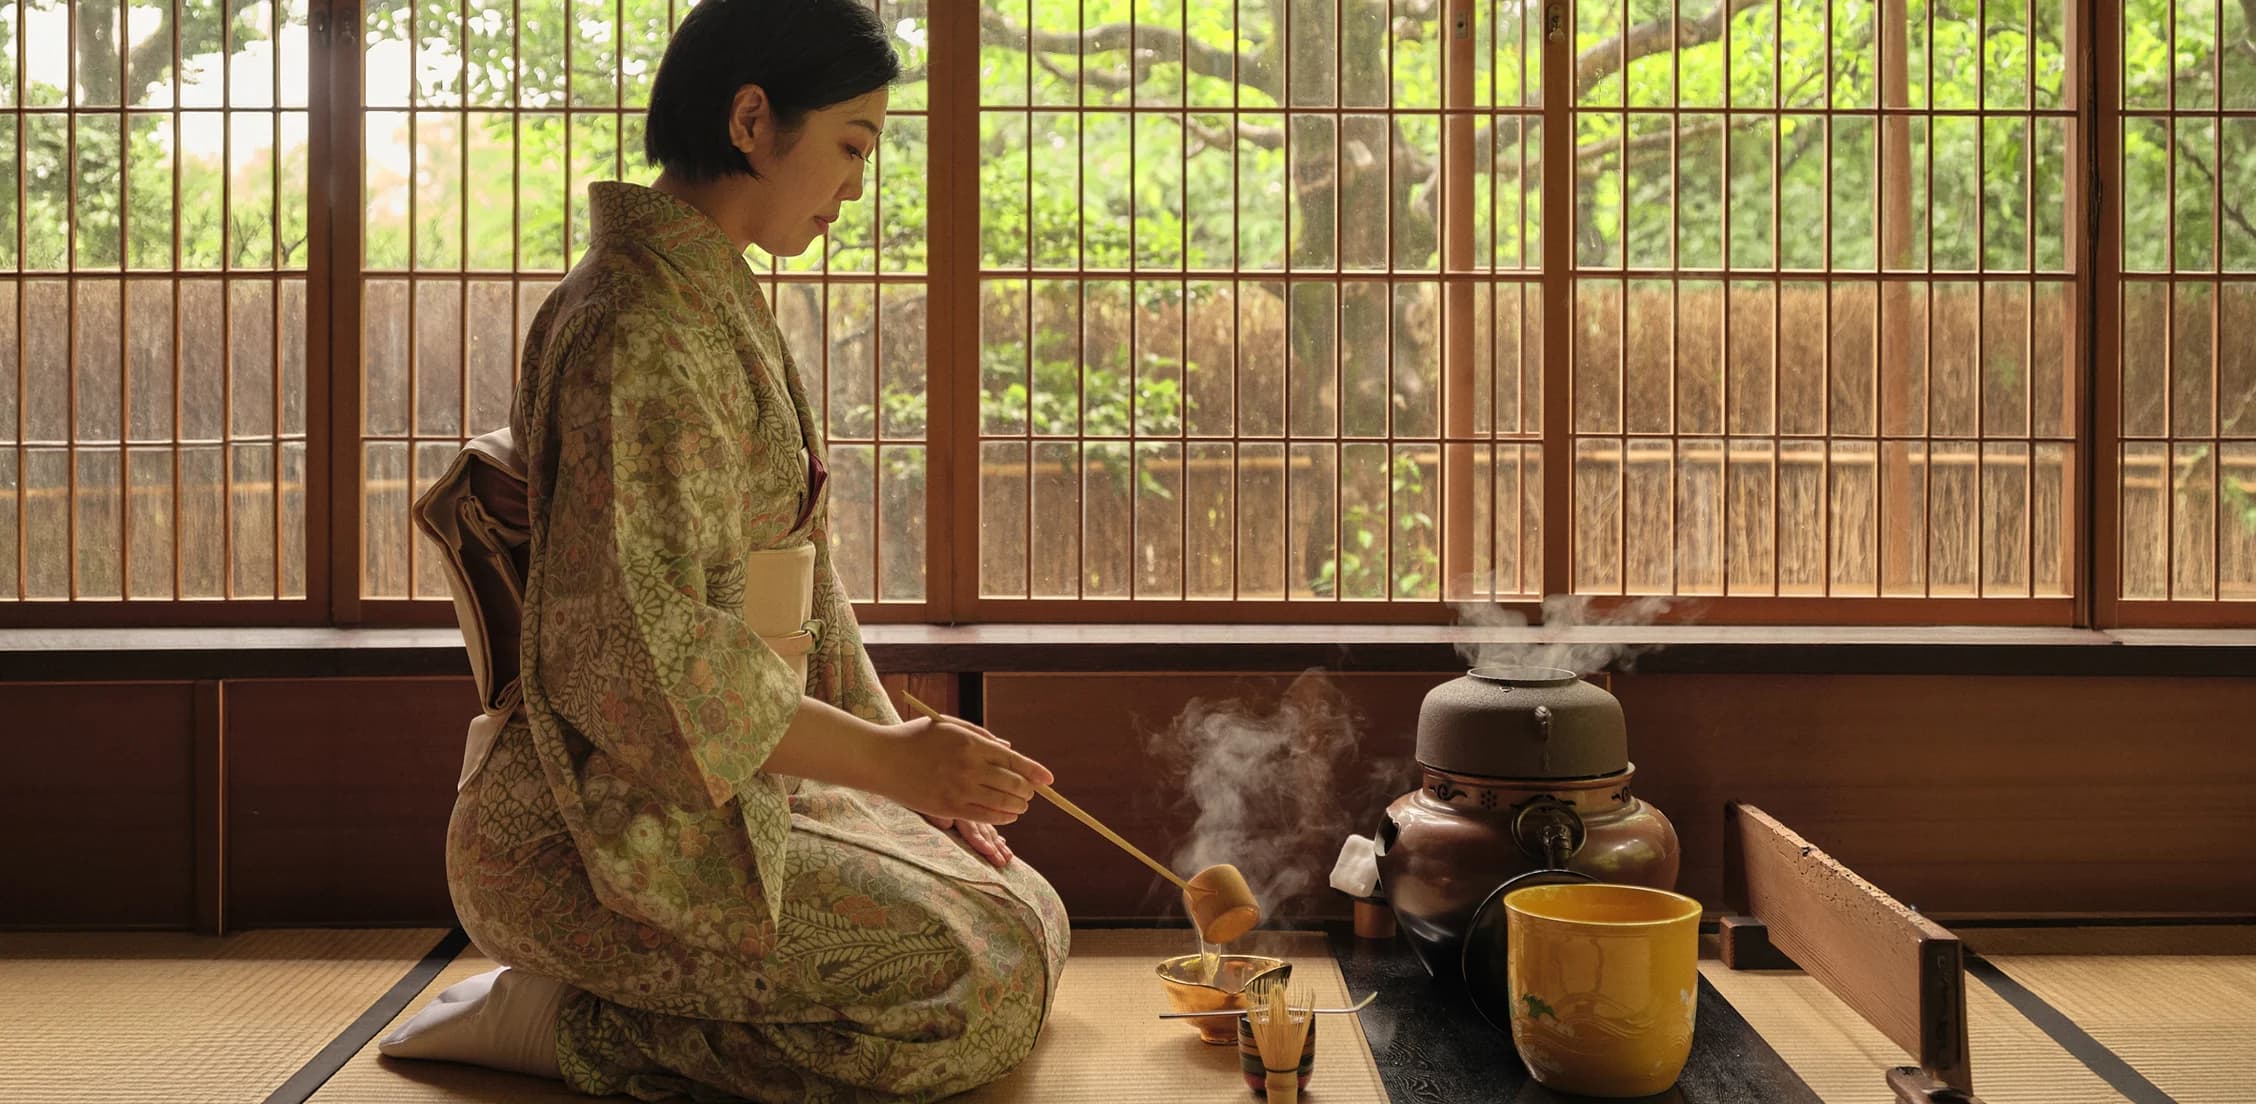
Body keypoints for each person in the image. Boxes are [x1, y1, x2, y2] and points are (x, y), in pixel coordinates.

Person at [377, 2, 1068, 1099]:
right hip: (594, 835)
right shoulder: (633, 327)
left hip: (729, 784)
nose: (855, 185)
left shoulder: (706, 298)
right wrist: (889, 766)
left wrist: (905, 771)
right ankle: (567, 1025)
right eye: (850, 146)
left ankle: (618, 1005)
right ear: (753, 119)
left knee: (1026, 912)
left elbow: (791, 590)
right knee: (975, 985)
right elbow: (639, 660)